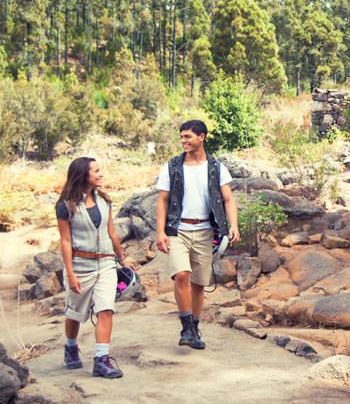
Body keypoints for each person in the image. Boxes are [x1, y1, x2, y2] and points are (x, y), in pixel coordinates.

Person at [155, 120, 240, 349]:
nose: (183, 141)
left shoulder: (216, 167)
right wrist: (160, 232)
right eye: (181, 137)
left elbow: (228, 199)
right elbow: (162, 200)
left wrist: (233, 225)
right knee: (182, 275)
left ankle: (194, 326)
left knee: (199, 284)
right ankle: (186, 328)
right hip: (177, 230)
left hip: (205, 231)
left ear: (201, 137)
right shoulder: (171, 167)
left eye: (188, 137)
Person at [56, 157, 136, 378]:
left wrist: (122, 259)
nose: (101, 174)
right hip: (80, 265)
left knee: (106, 308)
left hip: (106, 263)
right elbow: (65, 241)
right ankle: (71, 346)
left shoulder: (105, 201)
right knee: (74, 312)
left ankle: (101, 359)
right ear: (83, 175)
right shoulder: (65, 205)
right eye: (97, 171)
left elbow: (111, 232)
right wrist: (70, 274)